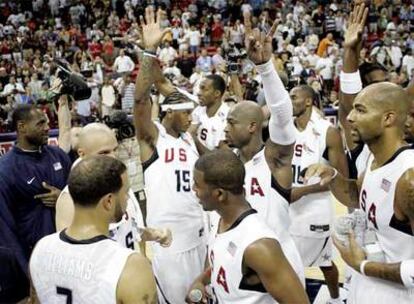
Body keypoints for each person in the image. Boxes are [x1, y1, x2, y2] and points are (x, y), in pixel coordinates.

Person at [305, 82, 414, 304]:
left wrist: (363, 265)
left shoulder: (408, 179)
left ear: (388, 118)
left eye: (361, 110)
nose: (350, 117)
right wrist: (334, 177)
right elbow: (359, 196)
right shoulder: (373, 161)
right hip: (366, 286)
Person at [222, 11, 305, 285]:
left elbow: (283, 115)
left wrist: (266, 68)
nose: (225, 128)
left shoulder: (274, 159)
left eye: (231, 122)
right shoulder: (227, 163)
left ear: (252, 127)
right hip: (239, 266)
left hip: (278, 269)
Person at [134, 8, 205, 303]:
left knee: (202, 297)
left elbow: (167, 87)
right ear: (170, 113)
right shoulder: (153, 139)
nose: (192, 118)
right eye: (187, 114)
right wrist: (149, 51)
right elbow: (140, 99)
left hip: (200, 235)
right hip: (170, 242)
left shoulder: (189, 140)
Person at [30, 155, 157, 303]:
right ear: (109, 201)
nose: (128, 198)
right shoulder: (131, 266)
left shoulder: (41, 249)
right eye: (125, 192)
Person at [187, 150, 309, 303]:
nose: (193, 189)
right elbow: (224, 263)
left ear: (219, 194)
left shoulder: (259, 247)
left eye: (197, 185)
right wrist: (200, 281)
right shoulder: (221, 220)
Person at [55, 123, 171, 253]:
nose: (113, 157)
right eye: (104, 152)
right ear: (82, 154)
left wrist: (155, 235)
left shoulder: (119, 183)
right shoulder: (70, 199)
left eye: (115, 150)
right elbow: (71, 254)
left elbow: (129, 229)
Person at [0, 104, 71, 302]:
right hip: (33, 262)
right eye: (41, 123)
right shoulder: (6, 170)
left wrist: (64, 200)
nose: (48, 127)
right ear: (21, 127)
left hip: (68, 256)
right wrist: (29, 274)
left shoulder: (58, 156)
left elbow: (82, 199)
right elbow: (6, 231)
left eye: (47, 122)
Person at [288, 85, 348, 304]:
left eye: (294, 97)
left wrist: (304, 191)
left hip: (314, 209)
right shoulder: (285, 130)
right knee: (288, 260)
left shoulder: (327, 131)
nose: (289, 100)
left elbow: (341, 177)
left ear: (308, 101)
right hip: (287, 206)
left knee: (324, 262)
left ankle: (335, 298)